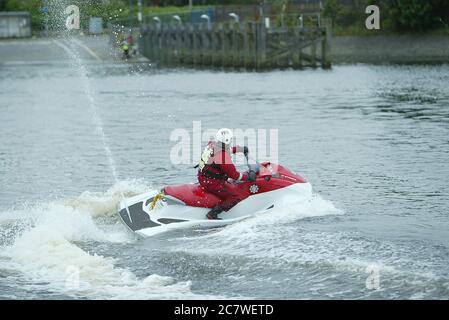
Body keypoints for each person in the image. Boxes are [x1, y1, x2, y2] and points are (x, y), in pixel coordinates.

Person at [197, 128, 257, 220]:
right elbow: (234, 175)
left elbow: (226, 149)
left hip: (203, 177)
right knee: (235, 196)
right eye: (230, 139)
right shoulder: (223, 156)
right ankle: (213, 214)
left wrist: (240, 149)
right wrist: (248, 176)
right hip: (212, 182)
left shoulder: (212, 144)